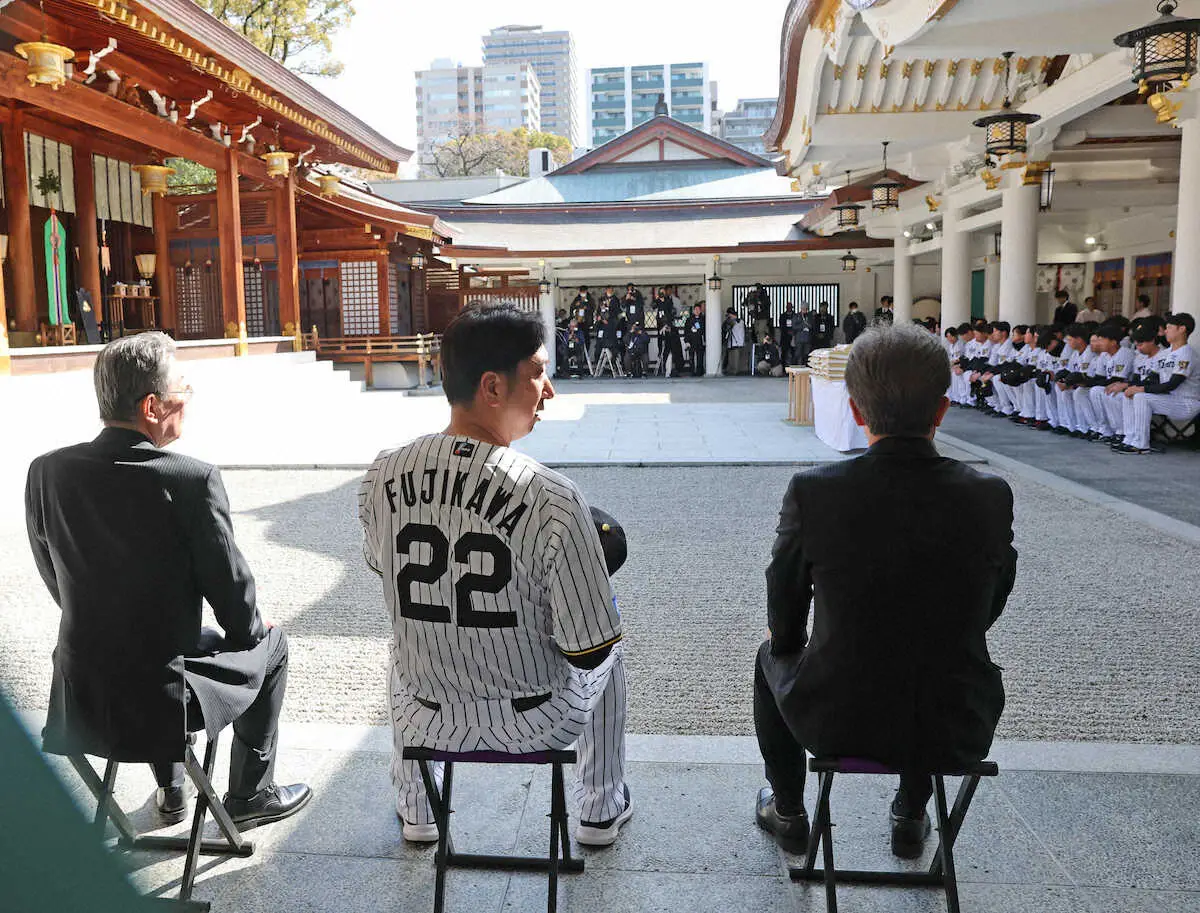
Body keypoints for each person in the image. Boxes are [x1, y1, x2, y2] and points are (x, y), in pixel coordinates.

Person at [358, 305, 632, 846]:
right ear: (492, 387)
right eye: (537, 372)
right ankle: (600, 809)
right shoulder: (552, 496)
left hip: (427, 718)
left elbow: (382, 568)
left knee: (399, 653)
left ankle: (418, 808)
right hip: (536, 721)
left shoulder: (381, 475)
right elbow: (590, 650)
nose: (548, 390)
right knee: (613, 652)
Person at [25, 333, 312, 830]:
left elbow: (54, 574)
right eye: (184, 388)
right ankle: (250, 795)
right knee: (273, 642)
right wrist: (252, 638)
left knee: (157, 641)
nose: (188, 398)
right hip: (160, 698)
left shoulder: (47, 471)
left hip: (81, 690)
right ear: (153, 406)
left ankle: (173, 785)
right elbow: (232, 593)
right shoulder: (189, 480)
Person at [753, 325, 1015, 858]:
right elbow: (991, 599)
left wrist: (786, 641)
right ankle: (911, 811)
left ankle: (788, 809)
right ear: (942, 411)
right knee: (930, 652)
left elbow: (783, 597)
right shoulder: (988, 495)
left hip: (839, 716)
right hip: (956, 716)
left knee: (769, 655)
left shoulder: (816, 490)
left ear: (854, 410)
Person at [1116, 312, 1200, 455]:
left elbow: (1172, 384)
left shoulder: (1187, 353)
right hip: (1169, 399)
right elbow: (1152, 378)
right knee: (1130, 394)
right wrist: (1133, 387)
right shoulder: (1165, 353)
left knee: (1141, 396)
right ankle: (1129, 438)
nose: (1165, 331)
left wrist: (1141, 389)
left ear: (1182, 329)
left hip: (1187, 402)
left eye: (1169, 327)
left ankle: (1141, 445)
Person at [685, 303, 706, 377]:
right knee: (691, 357)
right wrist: (686, 341)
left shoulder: (703, 319)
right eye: (695, 309)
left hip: (700, 340)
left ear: (700, 311)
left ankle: (699, 371)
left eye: (698, 309)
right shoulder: (689, 319)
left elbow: (703, 330)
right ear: (693, 310)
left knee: (700, 357)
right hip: (691, 340)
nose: (697, 311)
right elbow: (686, 331)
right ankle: (692, 371)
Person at [725, 308, 747, 375]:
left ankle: (734, 372)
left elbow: (729, 325)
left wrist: (729, 319)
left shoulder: (737, 321)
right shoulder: (740, 321)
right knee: (732, 359)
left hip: (736, 343)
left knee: (735, 360)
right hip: (734, 343)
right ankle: (732, 371)